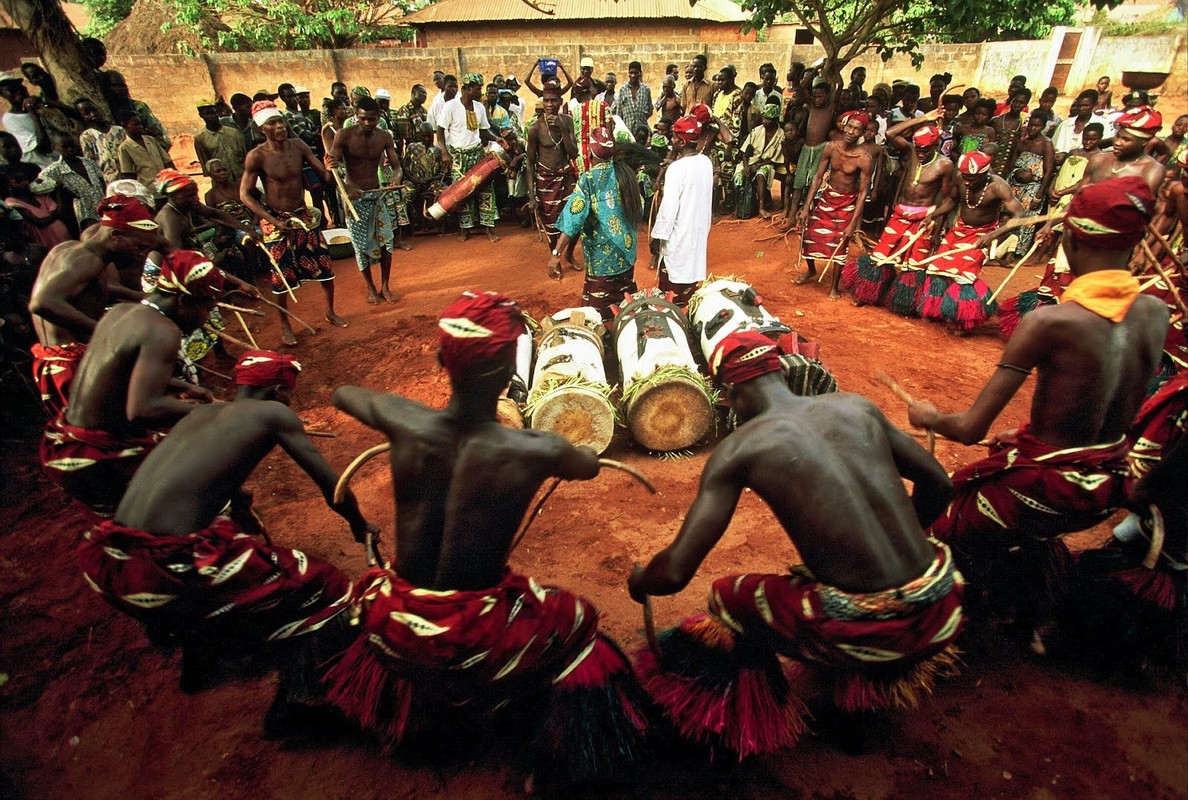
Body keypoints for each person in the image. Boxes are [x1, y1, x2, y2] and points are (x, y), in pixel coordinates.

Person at [323, 292, 648, 788]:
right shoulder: (535, 448)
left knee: (371, 588)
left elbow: (345, 394)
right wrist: (573, 451)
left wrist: (391, 413)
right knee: (581, 626)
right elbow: (584, 462)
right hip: (473, 637)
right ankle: (561, 765)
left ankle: (419, 722)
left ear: (439, 361)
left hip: (389, 624)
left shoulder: (403, 421)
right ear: (507, 375)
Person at [629, 330, 962, 758]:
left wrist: (643, 580)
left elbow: (673, 574)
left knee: (728, 597)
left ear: (731, 392)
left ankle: (740, 730)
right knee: (842, 587)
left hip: (861, 630)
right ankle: (857, 704)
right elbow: (939, 484)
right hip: (942, 608)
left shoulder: (739, 451)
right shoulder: (856, 406)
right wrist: (900, 540)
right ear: (780, 371)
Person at [908, 178, 1168, 624]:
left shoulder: (1048, 322)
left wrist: (930, 418)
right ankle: (1023, 602)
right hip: (1110, 483)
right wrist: (1028, 436)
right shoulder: (1158, 311)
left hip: (1045, 489)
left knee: (931, 511)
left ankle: (925, 624)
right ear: (1138, 241)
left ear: (1068, 237)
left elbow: (971, 430)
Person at [78, 349, 373, 715]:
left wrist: (238, 499)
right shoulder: (274, 413)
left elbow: (200, 469)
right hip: (166, 568)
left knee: (222, 544)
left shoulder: (200, 413)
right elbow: (335, 489)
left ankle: (199, 661)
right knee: (324, 586)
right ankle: (297, 702)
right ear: (280, 390)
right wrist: (360, 525)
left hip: (111, 559)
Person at [40, 250, 222, 515]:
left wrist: (181, 386)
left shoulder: (122, 312)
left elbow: (118, 375)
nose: (206, 318)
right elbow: (142, 409)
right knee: (208, 505)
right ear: (183, 300)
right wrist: (218, 411)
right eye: (207, 308)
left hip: (64, 442)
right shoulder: (163, 331)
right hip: (100, 457)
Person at [240, 100, 343, 346]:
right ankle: (285, 323)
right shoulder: (256, 156)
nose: (279, 126)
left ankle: (330, 312)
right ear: (261, 128)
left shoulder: (298, 146)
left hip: (303, 215)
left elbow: (326, 179)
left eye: (280, 121)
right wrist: (272, 219)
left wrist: (330, 168)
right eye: (272, 123)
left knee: (325, 267)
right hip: (275, 219)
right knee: (280, 277)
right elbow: (244, 194)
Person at [847, 113, 956, 313]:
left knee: (913, 264)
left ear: (935, 145)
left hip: (924, 218)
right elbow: (890, 133)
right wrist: (923, 119)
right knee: (881, 254)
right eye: (919, 148)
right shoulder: (912, 150)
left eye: (925, 149)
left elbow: (948, 199)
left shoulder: (945, 165)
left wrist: (935, 222)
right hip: (900, 213)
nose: (921, 153)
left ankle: (904, 303)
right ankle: (868, 294)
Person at [916, 151, 1025, 332]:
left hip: (983, 234)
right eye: (965, 177)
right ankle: (936, 311)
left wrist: (992, 235)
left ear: (984, 173)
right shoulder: (960, 178)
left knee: (964, 276)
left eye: (972, 178)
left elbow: (1020, 215)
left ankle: (962, 320)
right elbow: (951, 201)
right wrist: (932, 216)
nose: (967, 181)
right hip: (958, 230)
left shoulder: (998, 186)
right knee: (938, 269)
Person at [549, 127, 642, 316]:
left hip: (602, 260)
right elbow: (639, 205)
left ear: (590, 152)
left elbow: (572, 219)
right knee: (626, 302)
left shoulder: (588, 180)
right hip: (626, 252)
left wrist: (556, 254)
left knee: (600, 311)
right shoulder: (626, 174)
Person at [330, 96, 403, 305]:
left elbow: (396, 167)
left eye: (372, 119)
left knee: (386, 243)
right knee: (360, 246)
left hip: (377, 195)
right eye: (363, 119)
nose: (368, 124)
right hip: (355, 198)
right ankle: (371, 288)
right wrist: (347, 188)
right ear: (356, 115)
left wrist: (395, 179)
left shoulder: (384, 136)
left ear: (378, 116)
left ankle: (385, 286)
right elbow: (332, 168)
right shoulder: (343, 135)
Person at [799, 112, 873, 299]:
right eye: (849, 126)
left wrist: (853, 225)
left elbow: (863, 193)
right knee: (810, 235)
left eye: (857, 129)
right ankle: (811, 270)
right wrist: (806, 206)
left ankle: (834, 287)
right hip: (827, 197)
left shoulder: (864, 158)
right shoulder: (831, 147)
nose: (851, 131)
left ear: (862, 133)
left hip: (847, 203)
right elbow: (817, 176)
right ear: (844, 126)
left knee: (840, 245)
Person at [652, 116, 713, 307]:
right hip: (698, 231)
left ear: (682, 141)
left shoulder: (676, 169)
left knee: (674, 278)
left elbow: (668, 209)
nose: (671, 141)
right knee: (689, 274)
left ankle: (674, 316)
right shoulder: (706, 162)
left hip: (679, 234)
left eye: (674, 137)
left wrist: (657, 237)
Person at [437, 73, 504, 242]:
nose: (480, 92)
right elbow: (440, 131)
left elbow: (483, 131)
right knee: (461, 192)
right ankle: (465, 230)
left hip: (477, 154)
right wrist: (444, 152)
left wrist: (497, 139)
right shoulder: (450, 106)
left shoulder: (480, 107)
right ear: (466, 88)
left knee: (486, 191)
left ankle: (488, 229)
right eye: (477, 88)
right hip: (458, 156)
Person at [526, 87, 578, 256]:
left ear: (560, 102)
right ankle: (555, 257)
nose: (549, 104)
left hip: (566, 177)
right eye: (546, 100)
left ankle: (569, 254)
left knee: (576, 218)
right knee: (551, 225)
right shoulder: (535, 128)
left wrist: (562, 129)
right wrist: (532, 196)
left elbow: (573, 153)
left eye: (554, 100)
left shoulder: (567, 121)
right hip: (546, 180)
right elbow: (530, 162)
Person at [38, 130, 105, 235]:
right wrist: (57, 186)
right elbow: (36, 186)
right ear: (54, 147)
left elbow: (102, 184)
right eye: (65, 147)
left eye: (72, 145)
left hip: (103, 208)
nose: (71, 150)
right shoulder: (55, 170)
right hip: (83, 216)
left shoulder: (88, 162)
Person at [788, 79, 836, 218]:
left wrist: (835, 70)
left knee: (814, 182)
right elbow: (802, 85)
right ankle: (792, 215)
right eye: (814, 96)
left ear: (827, 95)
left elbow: (839, 88)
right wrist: (818, 69)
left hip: (820, 149)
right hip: (806, 149)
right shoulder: (811, 107)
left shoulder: (829, 109)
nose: (816, 99)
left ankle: (805, 212)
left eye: (820, 96)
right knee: (799, 182)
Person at [2, 162, 70, 249]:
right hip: (45, 241)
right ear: (8, 184)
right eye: (17, 181)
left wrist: (57, 190)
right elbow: (40, 222)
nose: (24, 183)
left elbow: (60, 212)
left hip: (63, 237)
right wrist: (55, 214)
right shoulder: (11, 202)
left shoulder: (40, 195)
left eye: (24, 179)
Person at [736, 104, 785, 220]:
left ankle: (761, 208)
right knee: (738, 176)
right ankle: (740, 208)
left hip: (767, 163)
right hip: (751, 161)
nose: (765, 121)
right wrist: (747, 166)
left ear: (775, 119)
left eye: (768, 119)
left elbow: (775, 159)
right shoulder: (756, 131)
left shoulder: (781, 134)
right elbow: (744, 150)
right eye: (764, 118)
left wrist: (758, 165)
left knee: (760, 174)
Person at [105, 71, 171, 150]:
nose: (121, 89)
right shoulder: (104, 110)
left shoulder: (139, 107)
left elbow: (162, 138)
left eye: (123, 86)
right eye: (115, 86)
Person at [0, 72, 52, 167]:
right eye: (12, 90)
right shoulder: (10, 119)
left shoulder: (39, 105)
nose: (19, 92)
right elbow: (44, 147)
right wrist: (33, 114)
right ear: (3, 95)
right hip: (45, 166)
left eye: (21, 88)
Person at [1051, 90, 1114, 162]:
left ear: (1095, 105)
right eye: (1079, 105)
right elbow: (1053, 146)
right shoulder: (1065, 124)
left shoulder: (1102, 124)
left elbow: (1106, 151)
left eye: (1085, 106)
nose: (1081, 109)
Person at [116, 109, 174, 187]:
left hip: (165, 186)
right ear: (124, 125)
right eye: (135, 124)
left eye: (140, 124)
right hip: (149, 190)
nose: (140, 127)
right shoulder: (125, 148)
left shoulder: (150, 140)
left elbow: (167, 162)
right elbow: (128, 175)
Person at [75, 98, 127, 183]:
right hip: (109, 181)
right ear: (83, 117)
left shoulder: (119, 130)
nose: (93, 114)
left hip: (129, 176)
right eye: (87, 113)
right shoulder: (87, 136)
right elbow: (91, 163)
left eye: (94, 110)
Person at [194, 101, 247, 183]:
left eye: (213, 113)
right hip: (222, 184)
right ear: (201, 115)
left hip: (242, 180)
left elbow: (245, 156)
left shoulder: (234, 133)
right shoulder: (200, 139)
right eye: (207, 114)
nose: (211, 116)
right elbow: (206, 165)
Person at [616, 61, 652, 138]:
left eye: (636, 73)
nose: (633, 75)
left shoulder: (646, 90)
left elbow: (650, 110)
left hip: (642, 132)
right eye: (631, 73)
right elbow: (619, 112)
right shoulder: (623, 89)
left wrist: (641, 116)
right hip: (627, 131)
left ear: (640, 73)